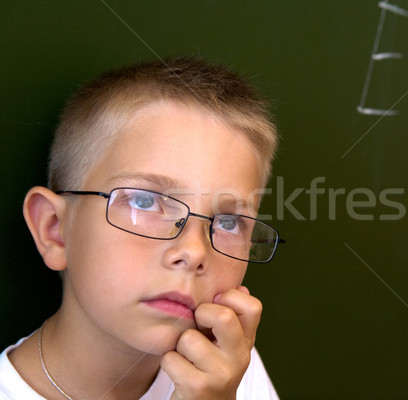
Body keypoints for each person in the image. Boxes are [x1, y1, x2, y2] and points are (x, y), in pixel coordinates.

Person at [0, 57, 283, 399]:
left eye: (228, 222)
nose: (194, 252)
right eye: (146, 202)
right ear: (55, 230)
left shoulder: (227, 371)